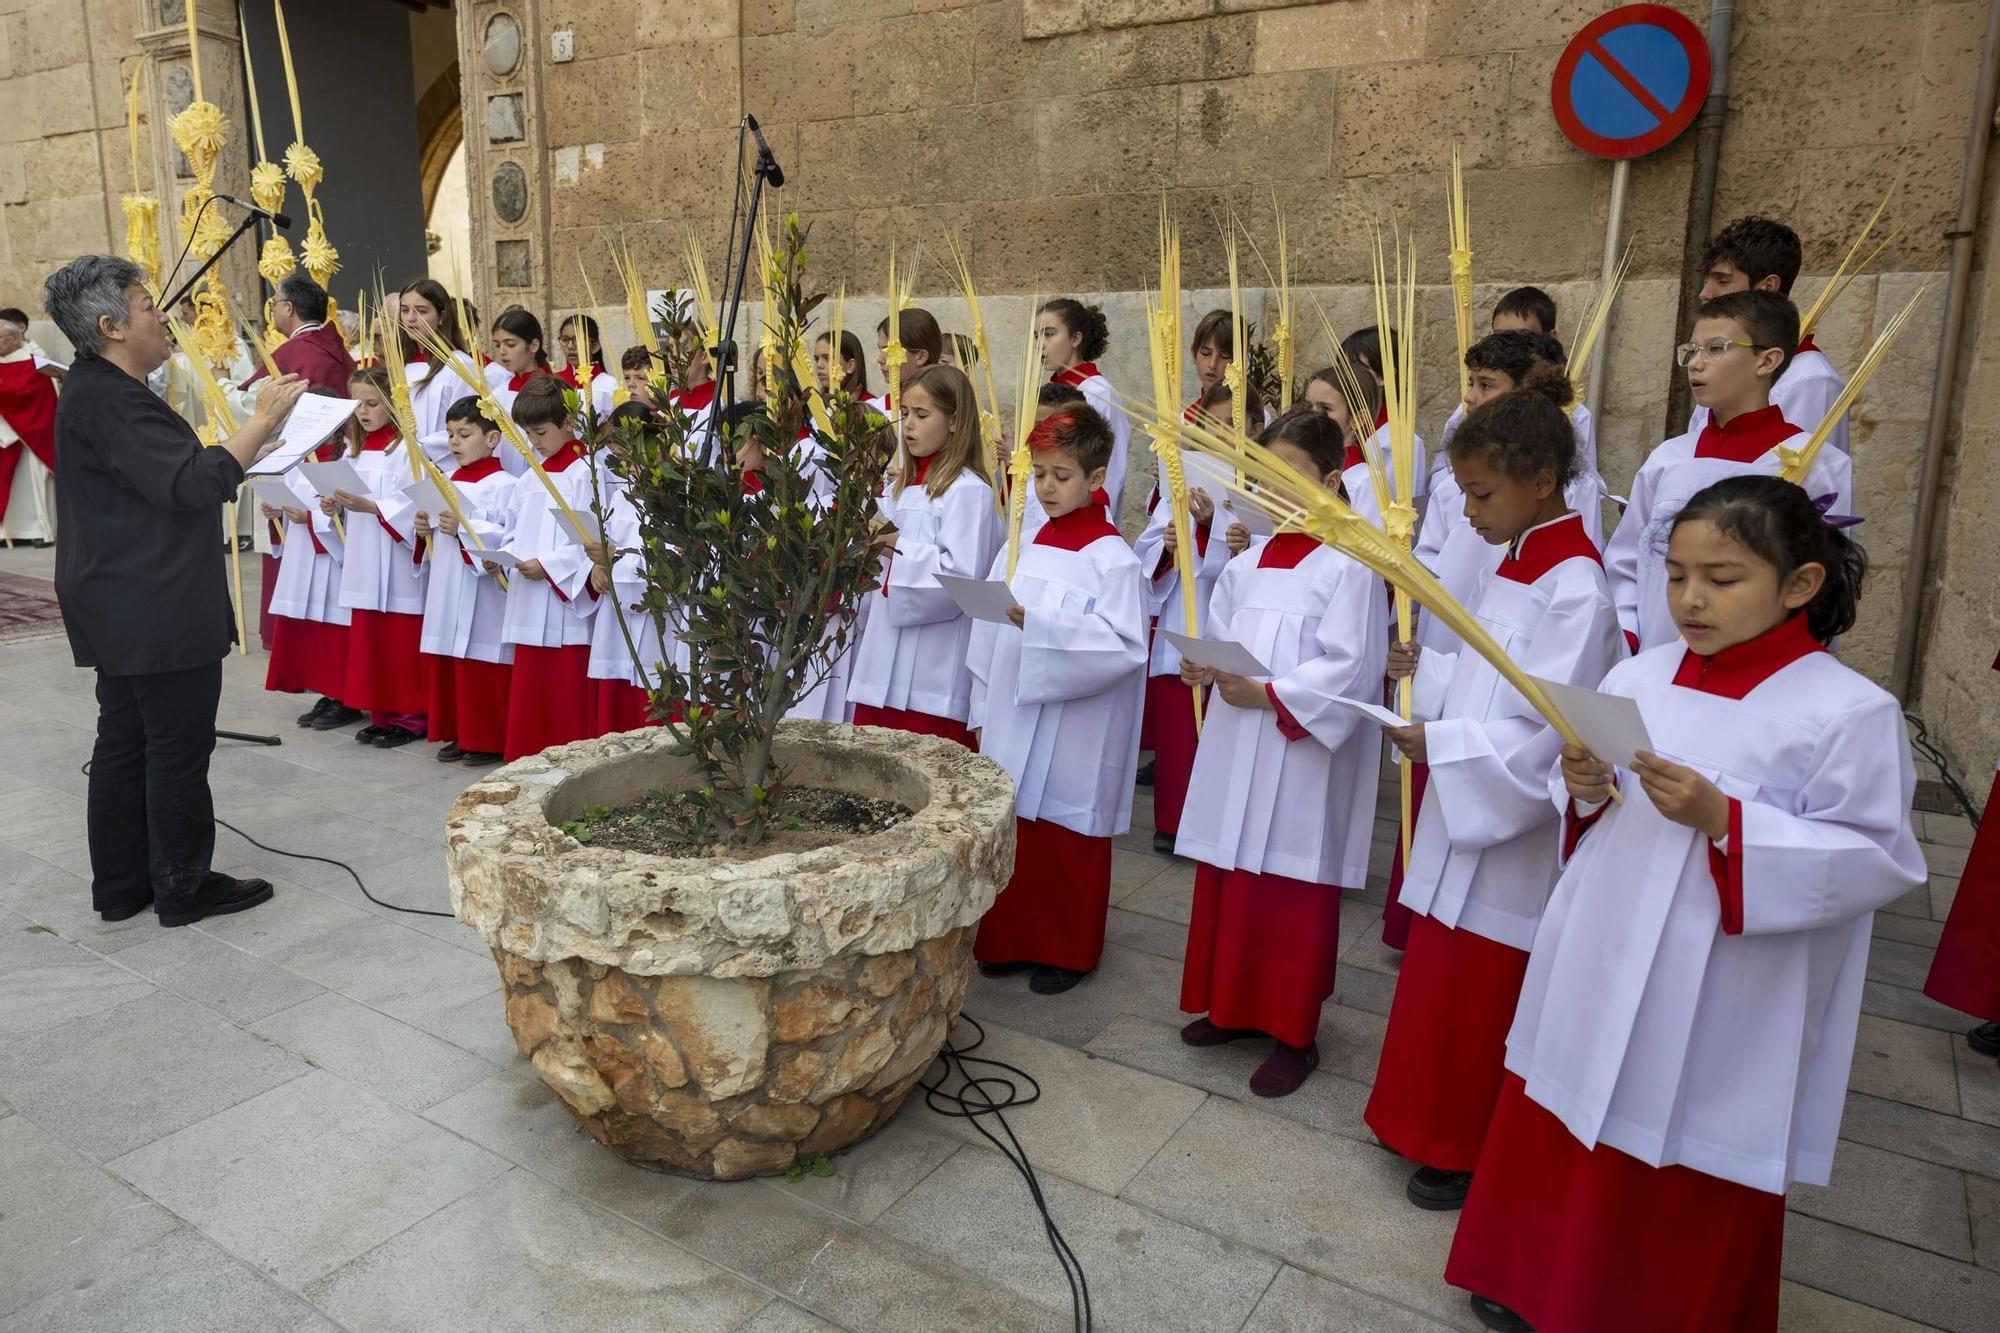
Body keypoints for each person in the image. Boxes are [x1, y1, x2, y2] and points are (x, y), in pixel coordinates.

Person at [1447, 475, 1924, 1333]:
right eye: (1675, 575)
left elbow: (1878, 856)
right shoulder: (1642, 672)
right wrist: (1586, 785)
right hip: (1606, 932)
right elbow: (1602, 807)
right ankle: (1536, 1278)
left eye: (1723, 577)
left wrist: (1729, 822)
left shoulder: (1849, 712)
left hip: (1724, 976)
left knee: (1677, 1141)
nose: (1691, 599)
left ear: (1801, 584)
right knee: (1567, 1100)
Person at [1364, 378, 1625, 1210]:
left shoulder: (1577, 590)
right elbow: (1489, 682)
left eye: (1481, 493)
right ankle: (1417, 1119)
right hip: (1461, 801)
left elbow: (1548, 730)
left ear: (1542, 479)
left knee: (1478, 991)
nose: (1468, 513)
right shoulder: (1513, 562)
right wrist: (1428, 676)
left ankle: (1465, 1140)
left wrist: (1439, 741)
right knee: (1440, 975)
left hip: (1508, 837)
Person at [46, 254, 306, 926]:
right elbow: (191, 485)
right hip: (151, 598)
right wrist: (263, 421)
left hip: (120, 591)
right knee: (174, 746)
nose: (161, 314)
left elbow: (166, 475)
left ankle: (123, 886)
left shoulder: (96, 388)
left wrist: (239, 450)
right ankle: (184, 884)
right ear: (109, 325)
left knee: (126, 739)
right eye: (144, 303)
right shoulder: (110, 399)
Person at [1172, 409, 1387, 1097]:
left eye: (1286, 477)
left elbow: (1349, 669)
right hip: (1242, 742)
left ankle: (1295, 1034)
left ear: (1330, 480)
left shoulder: (1348, 565)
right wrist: (1204, 664)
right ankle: (1233, 1008)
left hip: (1299, 753)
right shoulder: (1250, 561)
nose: (1269, 491)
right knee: (1235, 877)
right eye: (1259, 477)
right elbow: (1224, 634)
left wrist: (1266, 693)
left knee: (1290, 890)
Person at [967, 404, 1147, 994]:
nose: (1045, 487)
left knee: (1066, 833)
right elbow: (993, 616)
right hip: (1015, 705)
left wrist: (1040, 626)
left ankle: (1067, 951)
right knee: (1016, 823)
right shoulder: (1024, 540)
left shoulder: (1113, 560)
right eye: (1038, 472)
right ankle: (1008, 938)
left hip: (1077, 725)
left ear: (1096, 480)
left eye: (1060, 475)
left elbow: (1123, 647)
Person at [1604, 290, 1853, 654]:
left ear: (1767, 360)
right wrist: (1628, 642)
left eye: (1716, 348)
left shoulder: (1817, 464)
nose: (1695, 364)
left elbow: (1828, 583)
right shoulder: (1668, 459)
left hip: (1763, 673)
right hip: (1657, 664)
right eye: (1691, 351)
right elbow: (1625, 563)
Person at [846, 364, 998, 747]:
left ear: (954, 422)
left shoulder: (969, 492)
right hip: (881, 661)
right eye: (905, 414)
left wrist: (895, 542)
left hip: (933, 674)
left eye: (922, 415)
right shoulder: (899, 490)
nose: (908, 426)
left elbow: (962, 581)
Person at [494, 375, 600, 760]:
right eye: (527, 432)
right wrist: (503, 554)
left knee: (563, 685)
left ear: (569, 423)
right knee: (531, 684)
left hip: (562, 601)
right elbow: (514, 526)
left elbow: (593, 538)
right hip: (528, 592)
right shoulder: (530, 475)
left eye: (540, 431)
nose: (533, 441)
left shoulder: (586, 473)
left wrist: (550, 566)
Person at [323, 366, 429, 748]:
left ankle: (412, 715)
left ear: (391, 404)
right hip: (366, 557)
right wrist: (333, 504)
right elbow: (351, 504)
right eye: (357, 405)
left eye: (371, 404)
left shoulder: (406, 451)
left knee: (400, 640)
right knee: (371, 639)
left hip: (397, 560)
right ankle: (381, 711)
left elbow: (415, 503)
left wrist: (372, 506)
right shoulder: (355, 452)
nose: (363, 413)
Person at [413, 397, 518, 764]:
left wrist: (468, 528)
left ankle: (487, 736)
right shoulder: (447, 481)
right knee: (455, 658)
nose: (455, 443)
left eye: (465, 434)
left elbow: (509, 535)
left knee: (482, 662)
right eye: (451, 435)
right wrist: (423, 528)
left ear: (492, 438)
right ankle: (461, 730)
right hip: (449, 581)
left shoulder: (505, 484)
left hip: (484, 590)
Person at [1689, 215, 1849, 457]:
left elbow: (1803, 476)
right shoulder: (1717, 369)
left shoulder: (1811, 380)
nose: (1705, 293)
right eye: (1706, 281)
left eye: (1722, 280)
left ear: (1768, 286)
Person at [261, 388, 357, 732]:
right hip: (304, 554)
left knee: (334, 626)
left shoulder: (346, 456)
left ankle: (344, 696)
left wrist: (313, 519)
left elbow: (347, 510)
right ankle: (326, 690)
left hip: (333, 558)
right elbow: (293, 498)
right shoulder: (299, 457)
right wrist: (277, 510)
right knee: (313, 627)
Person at [1037, 298, 1132, 515]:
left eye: (1049, 334)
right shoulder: (1049, 393)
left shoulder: (1099, 393)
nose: (1040, 344)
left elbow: (1111, 470)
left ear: (1075, 338)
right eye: (1037, 336)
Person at [397, 278, 477, 469]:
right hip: (403, 464)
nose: (410, 319)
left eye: (421, 311)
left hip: (445, 466)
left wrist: (421, 448)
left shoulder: (459, 365)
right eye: (404, 310)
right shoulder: (402, 366)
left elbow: (468, 423)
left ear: (442, 317)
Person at [0, 305, 60, 545]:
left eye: (1, 339)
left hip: (30, 435)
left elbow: (31, 393)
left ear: (15, 338)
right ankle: (5, 533)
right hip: (4, 432)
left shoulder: (35, 361)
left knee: (33, 487)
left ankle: (39, 531)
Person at [489, 308, 553, 473]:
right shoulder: (496, 395)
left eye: (510, 344)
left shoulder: (554, 392)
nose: (502, 351)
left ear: (533, 345)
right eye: (498, 345)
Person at [872, 306, 943, 422]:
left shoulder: (948, 406)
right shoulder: (878, 409)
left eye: (889, 350)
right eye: (880, 349)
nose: (880, 359)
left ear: (921, 357)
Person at [556, 312, 617, 420]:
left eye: (578, 340)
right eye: (565, 340)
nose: (570, 346)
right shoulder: (554, 382)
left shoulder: (610, 385)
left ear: (595, 346)